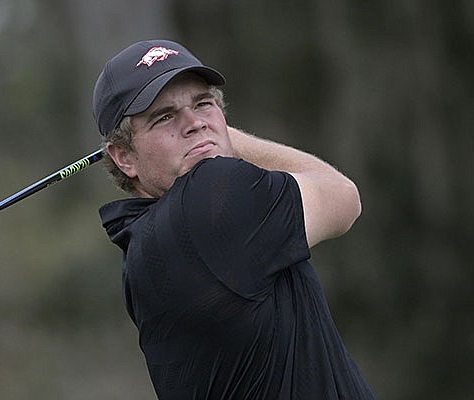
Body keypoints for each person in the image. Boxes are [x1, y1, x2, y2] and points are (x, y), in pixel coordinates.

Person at [93, 39, 377, 399]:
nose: (194, 123)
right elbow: (343, 197)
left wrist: (209, 137)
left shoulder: (141, 245)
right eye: (163, 117)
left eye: (203, 104)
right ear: (123, 157)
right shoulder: (212, 196)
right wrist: (225, 139)